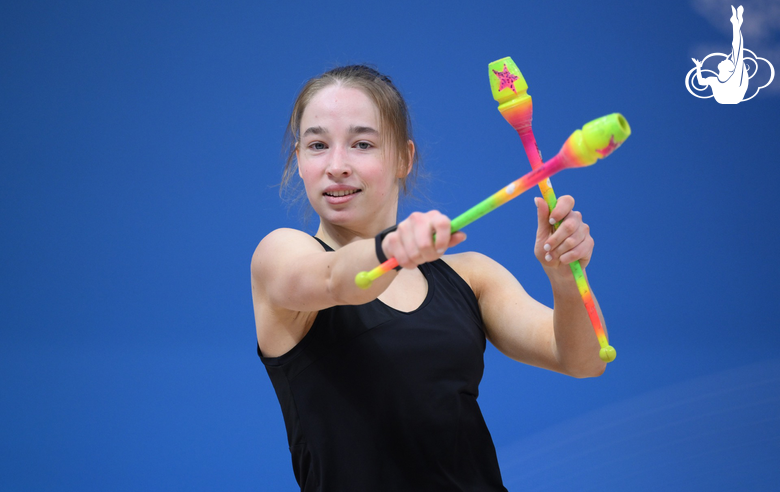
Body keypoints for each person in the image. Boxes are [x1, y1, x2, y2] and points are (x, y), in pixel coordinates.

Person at [251, 64, 607, 491]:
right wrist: (392, 247)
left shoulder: (471, 276)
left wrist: (565, 279)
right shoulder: (281, 255)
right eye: (317, 145)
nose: (337, 165)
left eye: (362, 143)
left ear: (404, 157)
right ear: (299, 161)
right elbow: (335, 280)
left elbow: (583, 361)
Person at [692, 5, 748, 104]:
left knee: (737, 50)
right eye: (727, 60)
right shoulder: (715, 80)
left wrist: (698, 68)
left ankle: (736, 23)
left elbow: (738, 48)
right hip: (729, 96)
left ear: (728, 69)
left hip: (732, 95)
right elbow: (701, 82)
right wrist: (698, 67)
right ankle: (736, 23)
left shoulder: (732, 77)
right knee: (737, 51)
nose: (724, 59)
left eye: (726, 61)